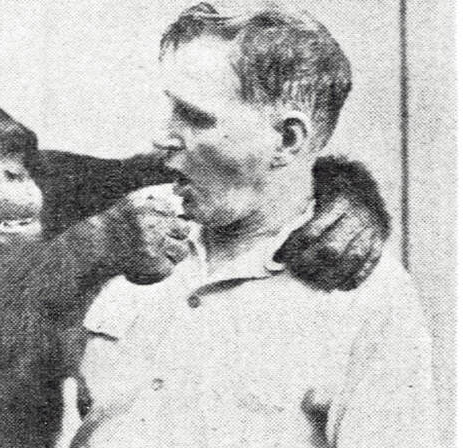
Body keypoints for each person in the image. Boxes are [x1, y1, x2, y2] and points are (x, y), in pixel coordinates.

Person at [70, 4, 438, 447]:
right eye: (172, 109)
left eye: (196, 117)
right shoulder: (128, 229)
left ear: (286, 140)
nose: (162, 135)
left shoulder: (372, 299)